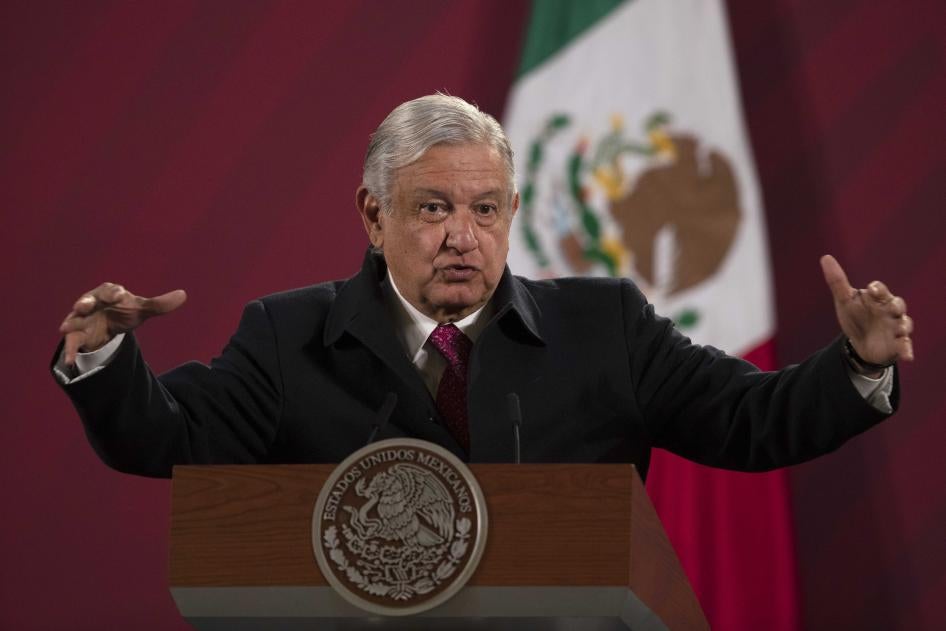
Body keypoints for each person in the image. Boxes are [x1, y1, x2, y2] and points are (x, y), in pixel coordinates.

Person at [53, 94, 913, 478]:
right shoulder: (287, 336)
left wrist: (857, 366)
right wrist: (106, 358)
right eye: (432, 207)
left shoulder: (602, 324)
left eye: (486, 208)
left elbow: (748, 422)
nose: (463, 235)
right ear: (372, 213)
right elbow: (167, 439)